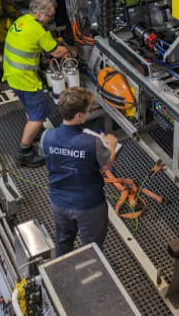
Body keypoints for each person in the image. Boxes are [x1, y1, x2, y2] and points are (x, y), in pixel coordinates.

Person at [40, 87, 117, 256]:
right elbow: (105, 166)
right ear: (79, 116)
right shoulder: (92, 142)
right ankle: (92, 272)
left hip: (58, 202)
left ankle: (62, 269)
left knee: (63, 239)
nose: (89, 113)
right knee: (92, 248)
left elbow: (47, 155)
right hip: (88, 206)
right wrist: (110, 144)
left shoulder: (47, 136)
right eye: (88, 110)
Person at [2, 0, 76, 167]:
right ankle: (24, 152)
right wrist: (71, 50)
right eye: (50, 16)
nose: (51, 19)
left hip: (12, 75)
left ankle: (33, 133)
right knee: (39, 115)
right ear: (39, 15)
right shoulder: (39, 30)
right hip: (25, 80)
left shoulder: (22, 21)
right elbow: (56, 52)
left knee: (31, 109)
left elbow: (41, 43)